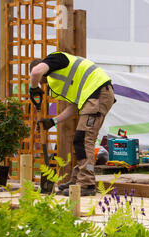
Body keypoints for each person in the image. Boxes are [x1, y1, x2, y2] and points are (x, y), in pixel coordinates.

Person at [30, 51, 116, 196]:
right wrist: (53, 121)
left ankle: (87, 183)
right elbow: (74, 106)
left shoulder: (56, 59)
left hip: (99, 94)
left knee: (84, 139)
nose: (42, 84)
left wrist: (33, 88)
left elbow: (35, 72)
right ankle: (78, 179)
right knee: (80, 140)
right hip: (94, 95)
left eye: (41, 81)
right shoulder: (64, 77)